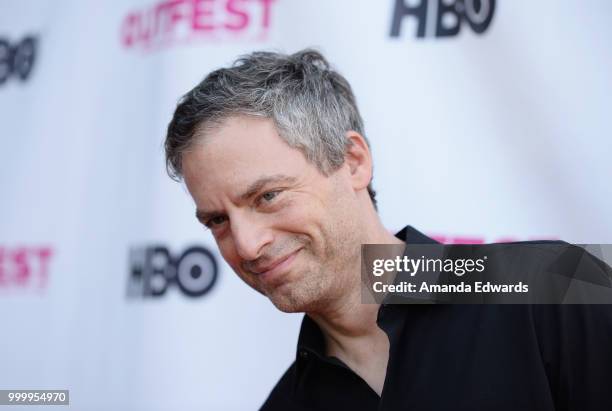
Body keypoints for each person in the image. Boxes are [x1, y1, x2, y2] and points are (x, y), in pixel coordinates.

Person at [164, 49, 612, 410]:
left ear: (353, 162)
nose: (246, 244)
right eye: (218, 221)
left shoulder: (553, 284)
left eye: (268, 196)